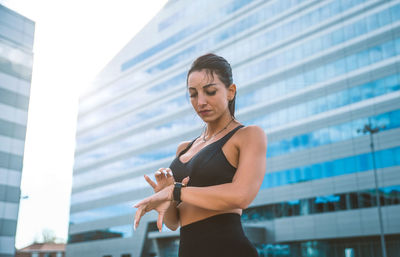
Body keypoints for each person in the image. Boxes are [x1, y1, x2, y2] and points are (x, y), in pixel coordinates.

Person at [133, 53, 267, 257]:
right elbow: (174, 222)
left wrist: (175, 192)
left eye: (210, 91)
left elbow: (242, 195)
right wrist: (165, 197)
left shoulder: (248, 135)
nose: (201, 101)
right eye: (193, 94)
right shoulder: (184, 148)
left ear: (230, 91)